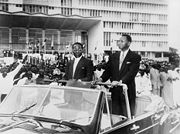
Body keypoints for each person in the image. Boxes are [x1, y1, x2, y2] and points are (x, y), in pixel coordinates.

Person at [96, 34, 141, 117]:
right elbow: (108, 71)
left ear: (129, 43)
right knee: (115, 115)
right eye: (118, 41)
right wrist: (101, 79)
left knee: (127, 115)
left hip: (127, 91)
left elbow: (131, 73)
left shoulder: (135, 57)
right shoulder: (113, 56)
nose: (119, 43)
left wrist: (120, 82)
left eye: (122, 41)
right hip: (115, 91)